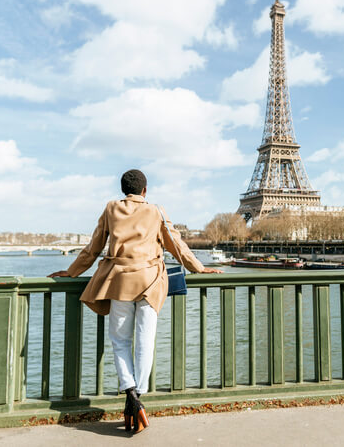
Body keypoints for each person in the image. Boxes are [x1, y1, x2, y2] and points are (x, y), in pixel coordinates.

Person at [49, 169, 221, 434]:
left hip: (119, 282)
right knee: (145, 342)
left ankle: (130, 392)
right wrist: (199, 267)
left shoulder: (110, 209)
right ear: (145, 190)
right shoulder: (156, 211)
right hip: (150, 282)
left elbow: (93, 249)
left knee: (120, 342)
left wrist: (71, 272)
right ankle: (137, 396)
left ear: (123, 190)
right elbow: (177, 245)